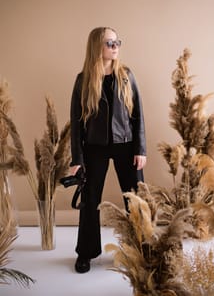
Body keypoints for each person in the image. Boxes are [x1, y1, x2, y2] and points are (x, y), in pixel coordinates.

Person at [70, 26, 146, 273]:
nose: (115, 47)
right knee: (90, 200)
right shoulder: (83, 80)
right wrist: (77, 158)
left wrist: (140, 149)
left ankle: (142, 251)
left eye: (117, 42)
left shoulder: (127, 75)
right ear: (97, 47)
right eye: (109, 43)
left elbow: (138, 116)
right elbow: (77, 122)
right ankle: (86, 253)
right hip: (94, 147)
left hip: (126, 145)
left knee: (136, 200)